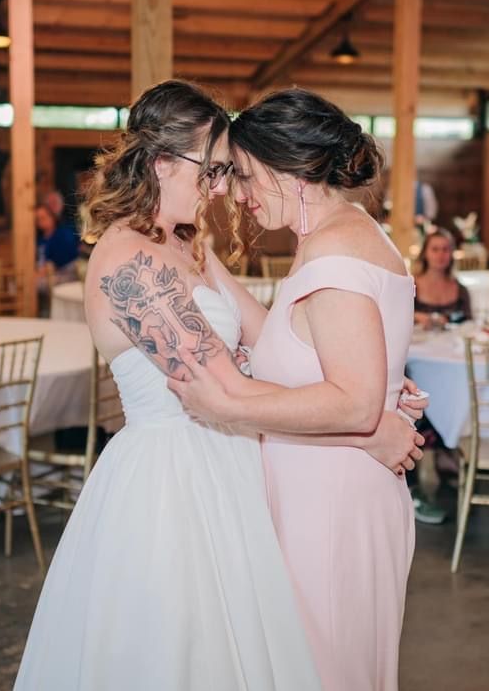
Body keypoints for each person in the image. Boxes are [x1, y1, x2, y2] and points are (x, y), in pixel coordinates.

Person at [14, 80, 422, 690]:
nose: (223, 188)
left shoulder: (189, 247)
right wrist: (366, 426)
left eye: (230, 172)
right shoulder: (131, 261)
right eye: (214, 171)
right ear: (160, 164)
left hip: (236, 467)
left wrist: (374, 380)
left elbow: (271, 341)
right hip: (175, 485)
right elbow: (223, 388)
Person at [170, 88, 418, 691]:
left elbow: (355, 402)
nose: (237, 193)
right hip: (330, 489)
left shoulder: (333, 249)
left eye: (248, 175)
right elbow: (288, 339)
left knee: (322, 670)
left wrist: (231, 406)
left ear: (293, 171)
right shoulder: (344, 232)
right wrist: (207, 265)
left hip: (329, 506)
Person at [413, 228, 471, 328]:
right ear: (425, 253)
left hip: (452, 342)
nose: (440, 255)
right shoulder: (411, 286)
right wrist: (417, 317)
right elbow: (396, 315)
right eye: (435, 249)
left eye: (445, 249)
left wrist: (448, 318)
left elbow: (466, 317)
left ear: (451, 254)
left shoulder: (461, 289)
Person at [33, 201, 80, 288]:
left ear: (52, 216)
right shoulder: (40, 239)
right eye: (38, 219)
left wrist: (46, 269)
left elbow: (67, 256)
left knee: (33, 283)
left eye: (44, 217)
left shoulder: (63, 234)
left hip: (63, 273)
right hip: (44, 273)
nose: (42, 222)